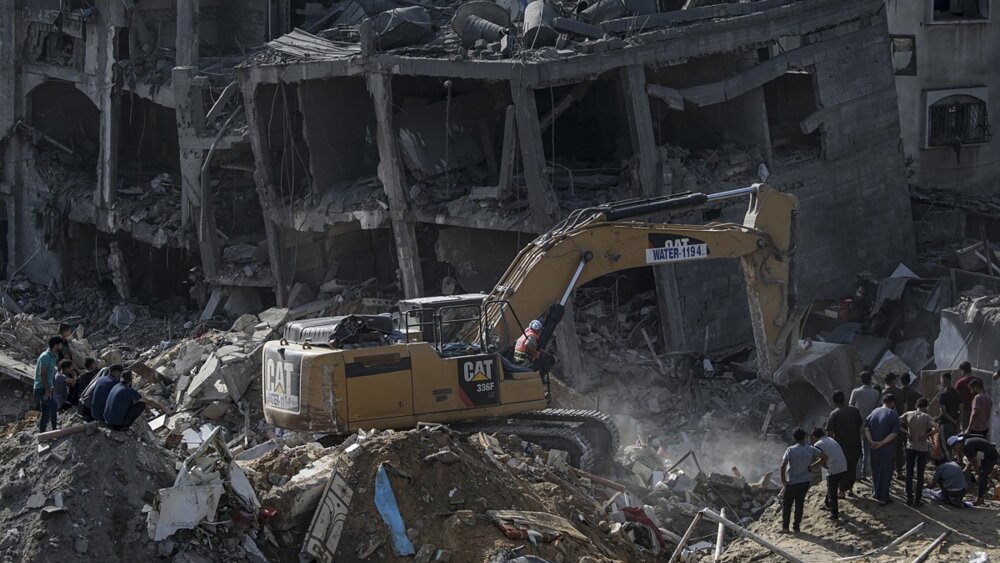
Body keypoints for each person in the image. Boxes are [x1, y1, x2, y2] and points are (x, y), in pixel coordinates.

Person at [779, 428, 827, 534]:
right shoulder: (810, 449)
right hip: (805, 481)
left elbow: (783, 466)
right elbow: (824, 457)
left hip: (792, 482)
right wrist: (813, 466)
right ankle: (796, 528)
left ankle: (785, 528)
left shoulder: (790, 449)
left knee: (787, 505)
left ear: (794, 438)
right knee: (799, 504)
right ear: (804, 437)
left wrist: (783, 480)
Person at [826, 390, 863, 497]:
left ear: (834, 401)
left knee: (841, 468)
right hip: (855, 444)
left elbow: (830, 433)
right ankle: (850, 489)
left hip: (841, 446)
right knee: (852, 467)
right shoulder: (855, 411)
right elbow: (860, 425)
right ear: (844, 399)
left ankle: (841, 491)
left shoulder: (834, 414)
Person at [103, 371, 169, 431]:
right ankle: (125, 426)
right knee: (142, 403)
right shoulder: (128, 390)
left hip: (107, 421)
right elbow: (148, 401)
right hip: (117, 424)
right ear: (131, 380)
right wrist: (162, 407)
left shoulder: (116, 386)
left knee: (135, 400)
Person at [865, 394, 900, 505]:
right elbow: (894, 433)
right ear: (892, 403)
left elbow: (866, 428)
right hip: (887, 449)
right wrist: (882, 443)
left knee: (876, 471)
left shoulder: (873, 412)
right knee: (886, 473)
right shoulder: (893, 415)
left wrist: (871, 441)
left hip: (874, 448)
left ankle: (875, 492)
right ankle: (884, 498)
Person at [900, 397, 935, 507]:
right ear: (925, 407)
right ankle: (918, 500)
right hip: (922, 448)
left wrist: (907, 432)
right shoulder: (926, 417)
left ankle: (909, 498)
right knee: (920, 475)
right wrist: (926, 435)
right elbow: (937, 428)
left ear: (916, 405)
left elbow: (897, 422)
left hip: (910, 446)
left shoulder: (908, 414)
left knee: (909, 473)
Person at [948, 435, 998, 506]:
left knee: (981, 477)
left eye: (954, 447)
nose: (954, 450)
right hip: (984, 456)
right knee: (981, 475)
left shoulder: (967, 446)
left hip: (990, 456)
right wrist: (962, 466)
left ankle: (979, 500)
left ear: (957, 444)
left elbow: (973, 461)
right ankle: (981, 498)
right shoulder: (964, 444)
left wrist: (976, 474)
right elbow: (960, 455)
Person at [850, 371, 880, 479]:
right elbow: (877, 409)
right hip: (871, 423)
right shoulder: (876, 393)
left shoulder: (856, 391)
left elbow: (851, 406)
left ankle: (857, 473)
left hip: (857, 423)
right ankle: (866, 472)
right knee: (868, 449)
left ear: (861, 380)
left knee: (857, 449)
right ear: (870, 379)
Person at [812, 428, 848, 520]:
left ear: (815, 437)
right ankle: (827, 505)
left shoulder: (817, 444)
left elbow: (823, 459)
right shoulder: (830, 439)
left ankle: (834, 514)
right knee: (831, 486)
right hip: (843, 466)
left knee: (832, 493)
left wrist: (813, 466)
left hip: (834, 469)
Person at [33, 336, 63, 433]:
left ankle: (42, 434)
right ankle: (54, 430)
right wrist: (47, 389)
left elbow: (51, 374)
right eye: (60, 345)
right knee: (53, 405)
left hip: (46, 388)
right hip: (40, 389)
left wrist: (51, 388)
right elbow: (43, 373)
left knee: (45, 414)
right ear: (55, 345)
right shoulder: (45, 356)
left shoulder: (53, 356)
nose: (61, 347)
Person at [883, 373, 906, 479]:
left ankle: (889, 471)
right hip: (899, 423)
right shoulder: (900, 391)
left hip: (886, 426)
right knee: (899, 449)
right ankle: (900, 472)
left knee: (887, 448)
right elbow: (905, 407)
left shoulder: (883, 393)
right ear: (893, 381)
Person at [935, 372, 961, 461]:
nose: (941, 382)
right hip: (954, 424)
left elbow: (943, 412)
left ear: (944, 380)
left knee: (944, 446)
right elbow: (961, 409)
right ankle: (953, 462)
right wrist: (957, 422)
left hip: (945, 424)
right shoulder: (957, 393)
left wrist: (952, 421)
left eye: (941, 380)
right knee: (953, 445)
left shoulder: (943, 394)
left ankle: (949, 464)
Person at [954, 361, 982, 431]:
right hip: (978, 410)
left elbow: (956, 399)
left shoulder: (960, 383)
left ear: (963, 371)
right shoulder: (978, 380)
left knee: (965, 430)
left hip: (965, 411)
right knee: (977, 429)